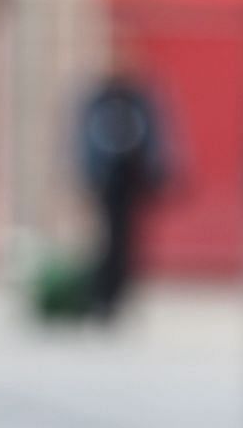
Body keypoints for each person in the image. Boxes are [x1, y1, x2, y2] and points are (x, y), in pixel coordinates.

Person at [76, 49, 169, 319]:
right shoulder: (99, 100)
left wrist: (156, 171)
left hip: (130, 179)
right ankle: (101, 293)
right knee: (106, 238)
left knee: (128, 239)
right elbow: (86, 140)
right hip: (106, 180)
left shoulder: (137, 100)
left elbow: (153, 136)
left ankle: (118, 293)